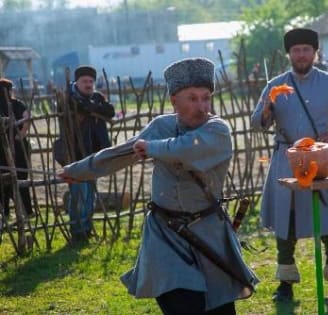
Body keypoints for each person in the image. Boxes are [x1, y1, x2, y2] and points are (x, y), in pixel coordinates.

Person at [59, 57, 258, 314]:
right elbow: (122, 152)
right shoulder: (162, 126)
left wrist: (152, 148)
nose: (202, 106)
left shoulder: (217, 130)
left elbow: (187, 149)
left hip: (208, 232)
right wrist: (79, 171)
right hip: (165, 233)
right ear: (174, 100)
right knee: (180, 304)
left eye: (206, 97)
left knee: (219, 308)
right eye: (193, 98)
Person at [251, 28, 328, 301]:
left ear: (314, 52)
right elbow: (257, 123)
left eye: (306, 49)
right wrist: (267, 109)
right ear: (289, 54)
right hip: (285, 157)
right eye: (296, 50)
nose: (301, 54)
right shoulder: (275, 85)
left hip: (320, 156)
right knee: (285, 221)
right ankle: (286, 283)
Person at [61, 65, 115, 241]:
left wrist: (91, 106)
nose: (89, 84)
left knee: (90, 192)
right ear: (76, 82)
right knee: (79, 192)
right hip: (75, 152)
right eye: (85, 81)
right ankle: (78, 231)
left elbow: (110, 111)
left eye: (91, 81)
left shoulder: (97, 96)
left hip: (95, 151)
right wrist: (92, 107)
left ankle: (86, 228)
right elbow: (81, 108)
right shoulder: (68, 98)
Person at [0, 78, 34, 218]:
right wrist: (21, 134)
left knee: (7, 180)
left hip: (9, 148)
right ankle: (24, 211)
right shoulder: (16, 103)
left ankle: (7, 211)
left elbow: (27, 117)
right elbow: (27, 117)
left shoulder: (16, 104)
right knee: (16, 179)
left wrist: (21, 134)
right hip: (10, 147)